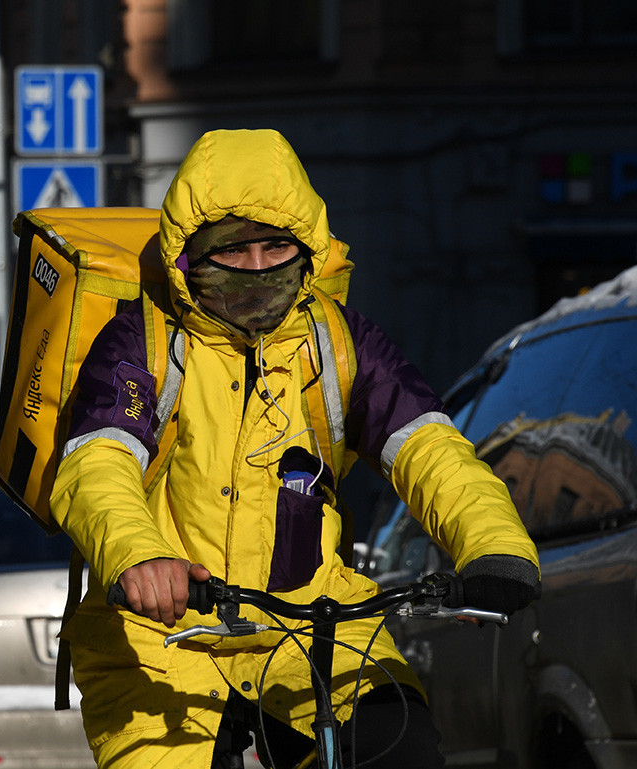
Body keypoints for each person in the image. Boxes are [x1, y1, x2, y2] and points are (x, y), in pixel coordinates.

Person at [49, 129, 540, 769]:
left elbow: (431, 450)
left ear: (306, 247)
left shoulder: (339, 342)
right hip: (164, 634)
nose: (257, 267)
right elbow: (99, 462)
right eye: (231, 250)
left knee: (400, 747)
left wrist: (493, 544)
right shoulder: (141, 346)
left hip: (313, 626)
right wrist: (140, 559)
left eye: (275, 245)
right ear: (187, 257)